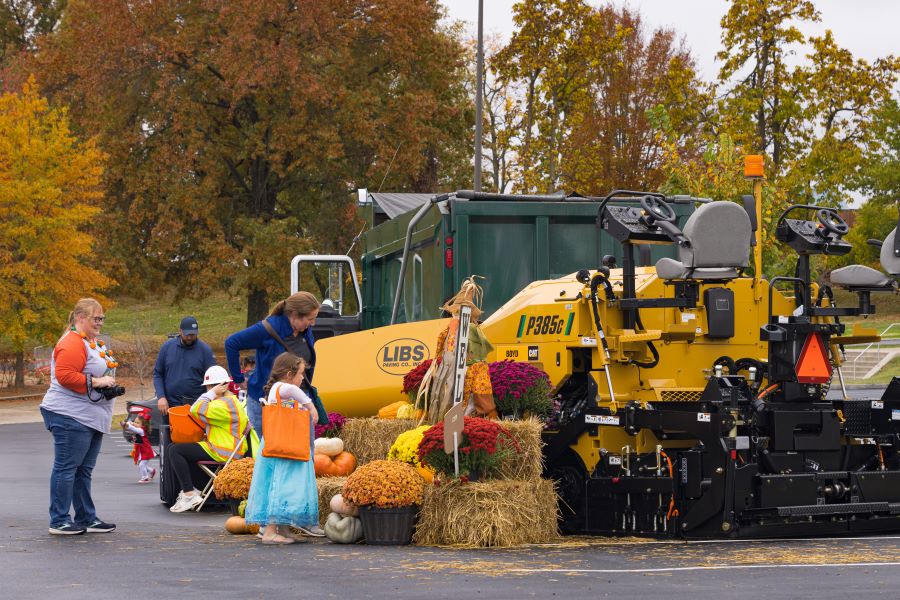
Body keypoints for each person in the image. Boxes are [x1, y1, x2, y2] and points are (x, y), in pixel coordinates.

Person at [39, 298, 119, 535]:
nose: (100, 323)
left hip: (89, 416)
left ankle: (86, 517)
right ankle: (59, 520)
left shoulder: (90, 341)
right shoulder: (72, 342)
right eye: (96, 318)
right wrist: (97, 381)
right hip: (70, 415)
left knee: (83, 469)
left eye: (102, 318)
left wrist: (107, 383)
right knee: (67, 467)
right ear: (80, 318)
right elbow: (65, 376)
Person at [245, 353, 319, 544]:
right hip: (281, 444)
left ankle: (284, 529)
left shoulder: (279, 390)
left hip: (281, 442)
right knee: (279, 484)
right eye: (301, 374)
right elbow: (295, 393)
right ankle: (270, 531)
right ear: (289, 373)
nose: (303, 378)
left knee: (284, 485)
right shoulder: (282, 387)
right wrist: (311, 407)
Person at [225, 292, 321, 435]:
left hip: (298, 401)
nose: (312, 323)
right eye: (310, 319)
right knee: (268, 452)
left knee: (305, 452)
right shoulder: (267, 329)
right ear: (294, 314)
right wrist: (238, 379)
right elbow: (231, 343)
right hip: (266, 403)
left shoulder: (305, 330)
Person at [167, 365, 257, 513]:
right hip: (225, 448)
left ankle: (189, 494)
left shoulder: (222, 405)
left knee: (176, 450)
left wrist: (212, 393)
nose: (207, 391)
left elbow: (195, 409)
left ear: (220, 387)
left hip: (224, 451)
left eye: (209, 387)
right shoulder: (230, 401)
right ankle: (188, 492)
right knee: (174, 448)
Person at [153, 316, 216, 417]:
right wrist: (161, 397)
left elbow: (213, 379)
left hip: (196, 407)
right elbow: (158, 374)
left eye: (193, 334)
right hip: (169, 405)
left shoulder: (205, 351)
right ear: (180, 331)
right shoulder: (167, 347)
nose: (190, 337)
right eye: (187, 334)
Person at [121, 410, 157, 483]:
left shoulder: (141, 430)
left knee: (141, 465)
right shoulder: (138, 429)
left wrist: (128, 425)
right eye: (135, 421)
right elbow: (131, 428)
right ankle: (152, 471)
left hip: (146, 450)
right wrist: (128, 424)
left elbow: (133, 428)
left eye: (138, 423)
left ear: (143, 425)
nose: (135, 423)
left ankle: (145, 478)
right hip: (141, 450)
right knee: (141, 464)